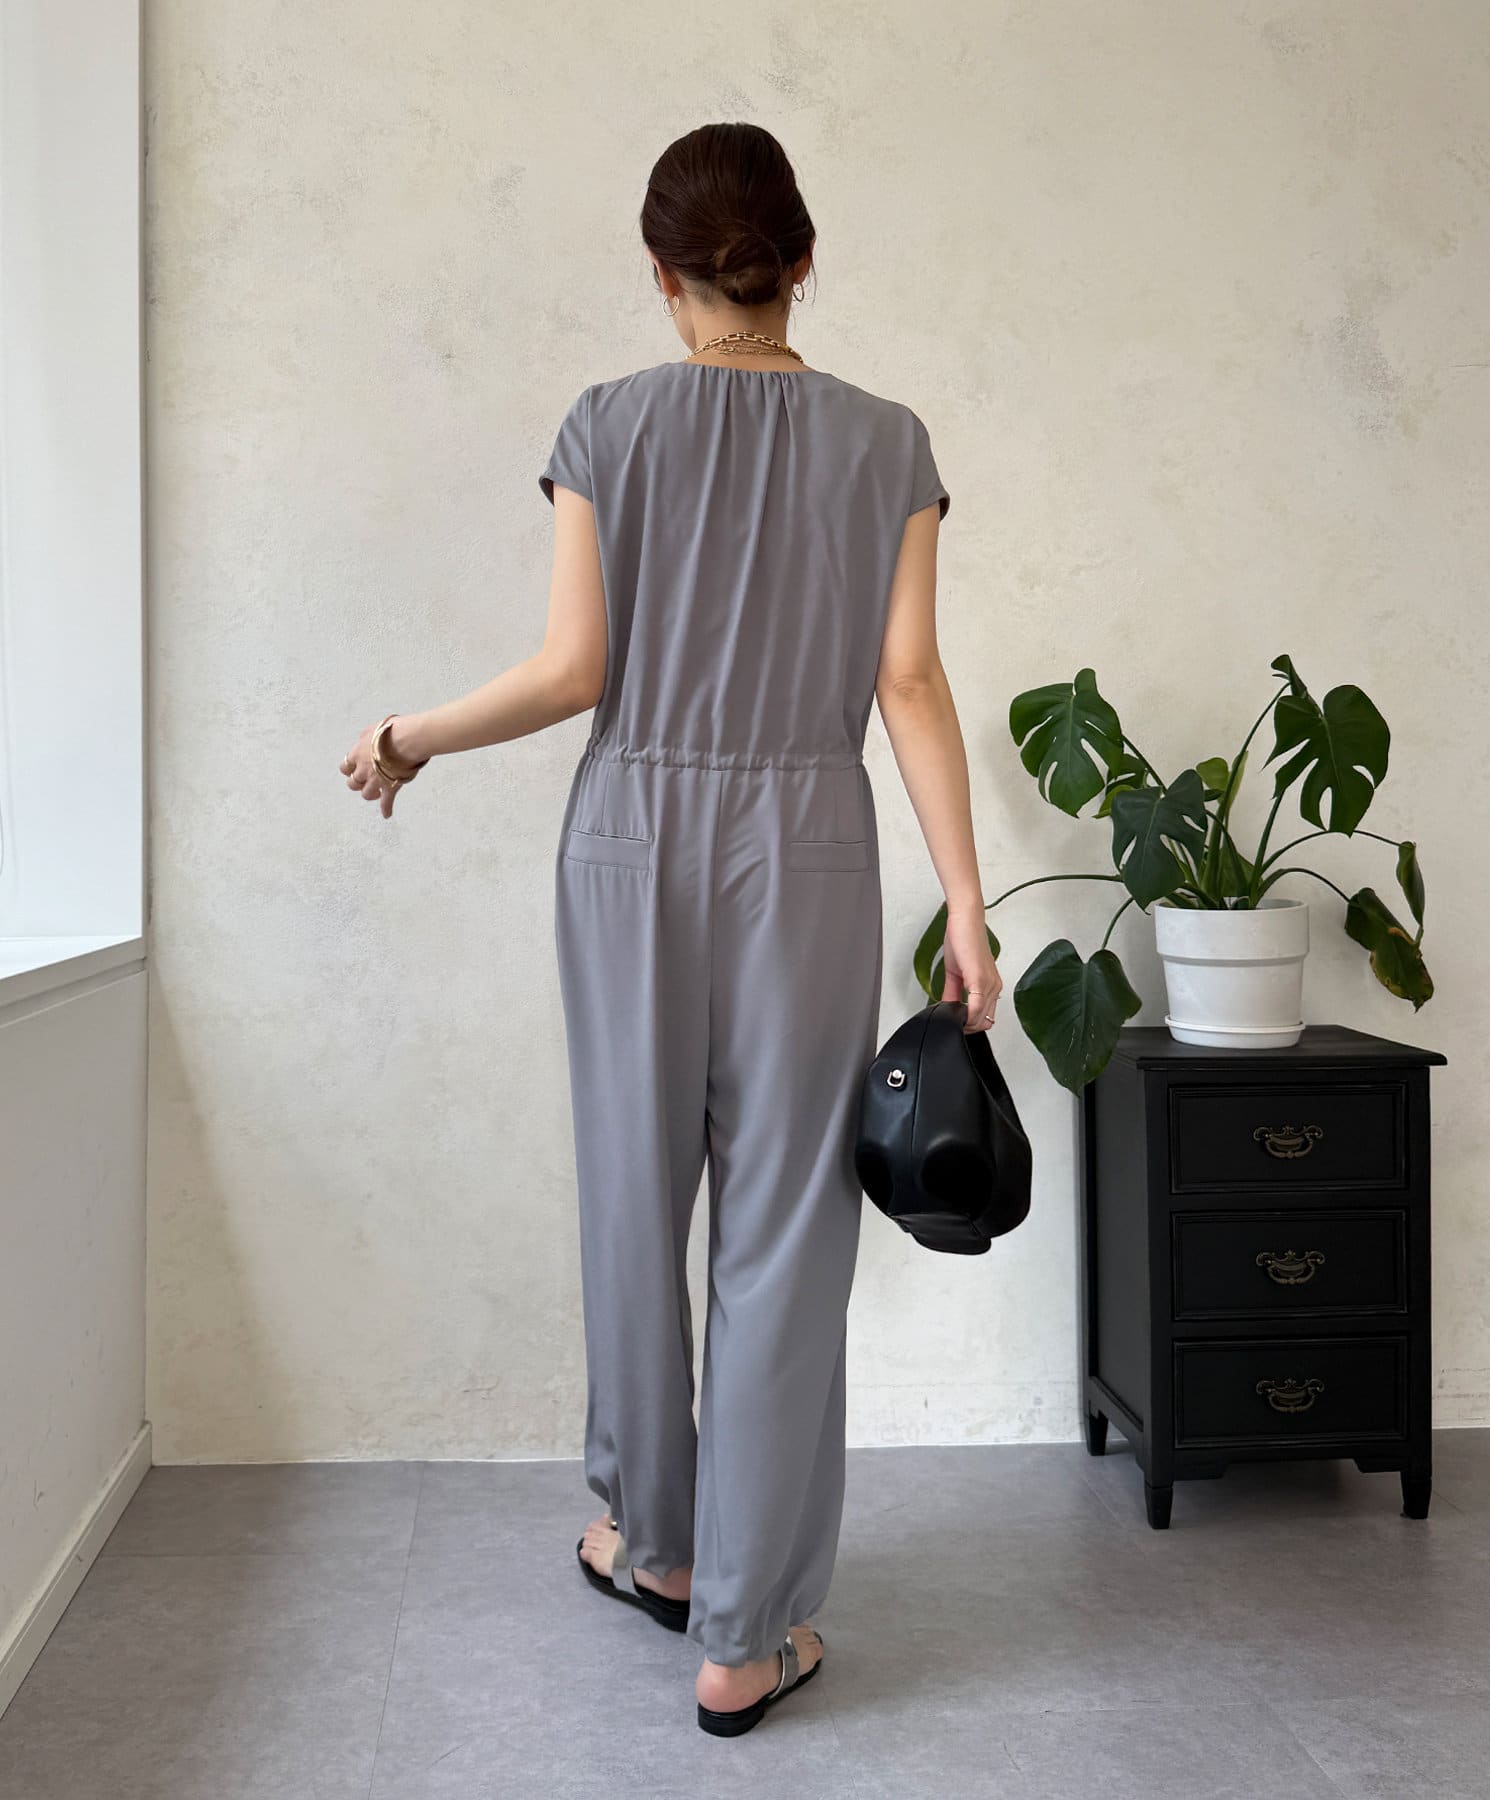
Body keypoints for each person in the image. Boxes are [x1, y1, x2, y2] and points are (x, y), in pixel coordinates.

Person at [338, 121, 1002, 1736]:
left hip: (630, 838)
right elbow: (907, 682)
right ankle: (744, 1635)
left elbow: (574, 673)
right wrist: (969, 907)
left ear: (662, 275)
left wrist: (412, 734)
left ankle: (658, 1542)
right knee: (782, 1229)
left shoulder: (608, 424)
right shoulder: (891, 443)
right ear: (801, 260)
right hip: (808, 846)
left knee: (634, 1195)